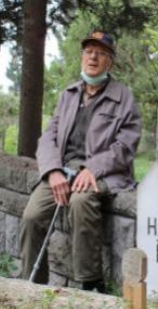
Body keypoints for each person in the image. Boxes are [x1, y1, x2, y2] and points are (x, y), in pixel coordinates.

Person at [20, 30, 142, 292]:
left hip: (104, 173)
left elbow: (125, 147)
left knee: (80, 201)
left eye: (100, 53)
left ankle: (90, 283)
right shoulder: (68, 94)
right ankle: (30, 288)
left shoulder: (124, 98)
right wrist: (52, 172)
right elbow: (48, 137)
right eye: (88, 51)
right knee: (32, 216)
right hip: (63, 170)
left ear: (110, 61)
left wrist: (92, 169)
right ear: (82, 57)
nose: (93, 57)